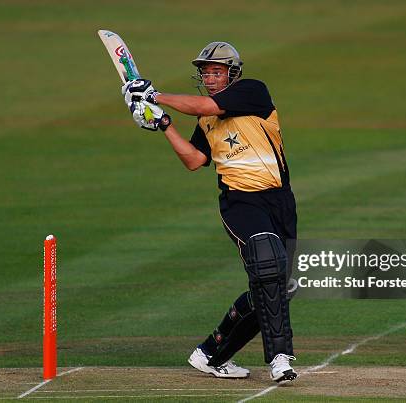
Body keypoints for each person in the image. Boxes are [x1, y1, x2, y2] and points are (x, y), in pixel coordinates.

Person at [122, 42, 298, 382]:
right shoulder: (206, 119)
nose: (210, 78)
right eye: (205, 73)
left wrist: (153, 95)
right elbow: (194, 160)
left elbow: (206, 104)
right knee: (267, 265)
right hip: (240, 202)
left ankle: (210, 354)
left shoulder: (252, 92)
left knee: (278, 286)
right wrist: (163, 124)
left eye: (216, 72)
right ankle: (279, 358)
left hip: (279, 200)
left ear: (232, 73)